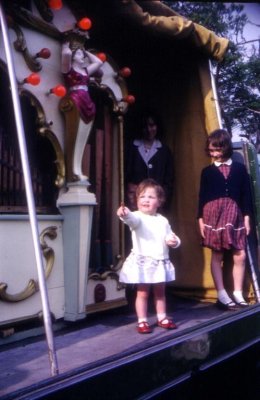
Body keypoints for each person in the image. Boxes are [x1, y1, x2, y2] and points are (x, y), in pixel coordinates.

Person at [117, 179, 181, 333]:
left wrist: (174, 241)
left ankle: (162, 317)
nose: (146, 200)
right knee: (143, 292)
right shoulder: (137, 217)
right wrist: (124, 213)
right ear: (137, 200)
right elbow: (130, 219)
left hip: (159, 261)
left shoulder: (162, 220)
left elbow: (170, 236)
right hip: (144, 262)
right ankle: (142, 321)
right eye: (142, 197)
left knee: (160, 292)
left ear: (159, 202)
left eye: (151, 197)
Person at [198, 129, 252, 310]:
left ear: (226, 147)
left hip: (234, 213)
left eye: (217, 150)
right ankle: (221, 293)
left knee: (240, 254)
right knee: (217, 254)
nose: (214, 154)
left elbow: (246, 195)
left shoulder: (239, 168)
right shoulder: (207, 172)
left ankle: (237, 292)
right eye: (211, 151)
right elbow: (202, 197)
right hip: (213, 215)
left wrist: (247, 218)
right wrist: (200, 220)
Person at [61, 42, 103, 181]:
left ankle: (77, 168)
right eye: (79, 54)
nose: (82, 57)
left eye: (82, 54)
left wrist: (85, 51)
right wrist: (66, 45)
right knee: (76, 134)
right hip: (76, 98)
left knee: (84, 135)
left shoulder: (85, 71)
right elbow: (66, 54)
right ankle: (74, 169)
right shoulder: (68, 68)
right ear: (72, 57)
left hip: (87, 100)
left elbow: (98, 62)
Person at [125, 110, 173, 210]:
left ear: (157, 126)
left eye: (152, 125)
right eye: (145, 126)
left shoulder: (164, 150)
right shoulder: (131, 147)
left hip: (155, 204)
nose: (148, 129)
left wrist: (160, 198)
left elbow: (168, 180)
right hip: (134, 201)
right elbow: (125, 175)